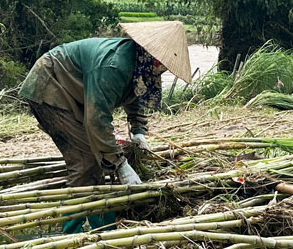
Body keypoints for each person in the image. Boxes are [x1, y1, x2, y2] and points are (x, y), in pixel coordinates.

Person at [19, 21, 192, 192]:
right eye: (163, 63)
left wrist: (138, 130)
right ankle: (70, 209)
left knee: (96, 156)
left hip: (73, 90)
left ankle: (93, 205)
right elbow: (97, 120)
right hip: (50, 84)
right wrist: (120, 164)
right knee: (87, 162)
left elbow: (135, 92)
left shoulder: (141, 63)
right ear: (153, 55)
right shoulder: (114, 66)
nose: (163, 69)